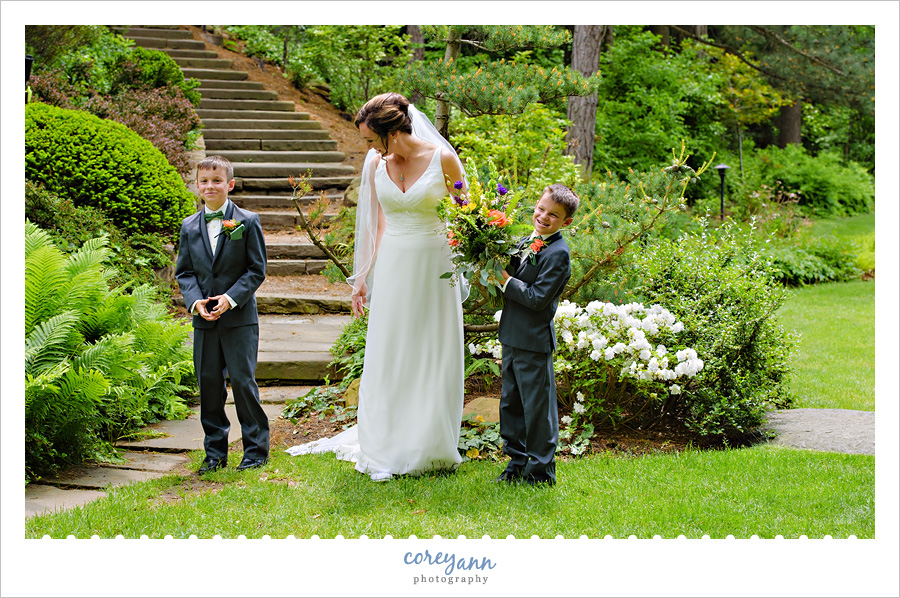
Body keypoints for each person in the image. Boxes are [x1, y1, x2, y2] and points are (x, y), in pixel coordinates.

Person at [286, 93, 468, 481]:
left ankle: (430, 444)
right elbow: (378, 225)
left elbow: (467, 216)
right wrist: (363, 278)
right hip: (395, 266)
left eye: (371, 139)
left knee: (431, 351)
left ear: (392, 132)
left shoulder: (443, 159)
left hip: (435, 267)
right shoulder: (376, 164)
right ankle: (387, 438)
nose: (367, 148)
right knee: (391, 351)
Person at [175, 155, 270, 474]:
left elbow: (257, 270)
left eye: (217, 180)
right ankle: (214, 452)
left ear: (229, 184)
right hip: (204, 320)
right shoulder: (189, 226)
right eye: (204, 181)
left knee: (243, 382)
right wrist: (195, 302)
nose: (210, 186)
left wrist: (231, 299)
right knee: (209, 385)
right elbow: (185, 272)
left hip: (239, 319)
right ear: (197, 186)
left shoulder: (247, 221)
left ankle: (255, 450)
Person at [495, 184, 579, 486]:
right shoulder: (525, 241)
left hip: (533, 341)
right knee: (511, 405)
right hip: (511, 336)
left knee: (537, 410)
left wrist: (504, 280)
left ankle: (540, 473)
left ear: (565, 222)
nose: (543, 217)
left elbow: (536, 297)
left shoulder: (558, 254)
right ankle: (516, 463)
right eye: (541, 209)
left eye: (553, 215)